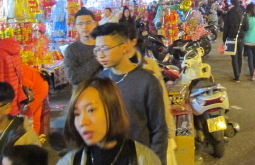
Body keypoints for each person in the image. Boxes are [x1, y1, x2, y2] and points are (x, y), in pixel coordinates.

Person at [91, 23, 168, 165]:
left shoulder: (147, 82)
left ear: (124, 47)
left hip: (139, 158)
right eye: (97, 49)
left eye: (105, 49)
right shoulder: (100, 80)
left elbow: (159, 129)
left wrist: (157, 161)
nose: (100, 55)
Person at [57, 77, 161, 165]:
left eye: (91, 110)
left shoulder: (143, 158)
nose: (82, 122)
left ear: (112, 110)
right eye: (77, 114)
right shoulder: (70, 161)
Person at [131, 31, 177, 165]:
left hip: (150, 139)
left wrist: (169, 132)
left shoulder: (149, 66)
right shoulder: (108, 74)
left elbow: (162, 103)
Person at [63, 8, 102, 89]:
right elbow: (74, 78)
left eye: (88, 22)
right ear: (75, 27)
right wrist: (97, 60)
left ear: (95, 24)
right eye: (80, 24)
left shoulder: (104, 45)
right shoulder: (71, 50)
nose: (84, 26)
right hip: (83, 95)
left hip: (106, 93)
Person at [222, 0, 249, 82]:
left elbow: (225, 28)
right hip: (240, 37)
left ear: (233, 4)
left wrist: (224, 40)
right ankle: (239, 73)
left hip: (230, 37)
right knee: (239, 56)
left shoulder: (229, 13)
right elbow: (247, 27)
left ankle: (236, 75)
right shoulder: (243, 14)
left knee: (233, 57)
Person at [20, 65, 48, 135]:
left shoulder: (15, 70)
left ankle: (31, 142)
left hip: (37, 89)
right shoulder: (15, 65)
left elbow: (29, 85)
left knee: (26, 117)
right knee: (35, 117)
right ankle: (35, 141)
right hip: (40, 85)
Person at [243, 3, 255, 81]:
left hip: (247, 41)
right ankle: (254, 69)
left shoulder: (246, 18)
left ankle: (252, 75)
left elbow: (244, 29)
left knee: (250, 58)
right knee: (254, 57)